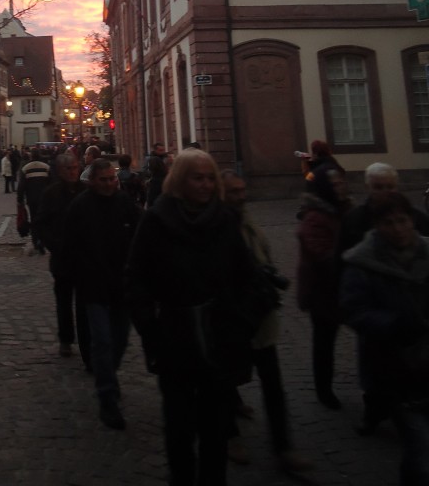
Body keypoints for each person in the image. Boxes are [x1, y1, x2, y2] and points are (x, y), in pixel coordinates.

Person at [126, 147, 263, 486]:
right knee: (179, 425)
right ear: (179, 181)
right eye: (197, 178)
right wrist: (151, 330)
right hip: (175, 338)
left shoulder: (224, 220)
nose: (205, 185)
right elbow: (137, 279)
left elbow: (247, 276)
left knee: (216, 426)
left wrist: (242, 322)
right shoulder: (157, 220)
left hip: (220, 337)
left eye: (209, 178)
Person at [221, 171, 312, 474]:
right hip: (232, 319)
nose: (240, 196)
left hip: (261, 317)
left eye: (242, 190)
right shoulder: (215, 227)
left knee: (273, 382)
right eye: (233, 192)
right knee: (225, 378)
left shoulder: (251, 226)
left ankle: (283, 446)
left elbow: (266, 259)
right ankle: (230, 435)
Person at [341, 193, 429, 485]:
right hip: (395, 371)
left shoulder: (427, 251)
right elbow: (353, 311)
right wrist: (393, 324)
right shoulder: (362, 262)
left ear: (412, 220)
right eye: (389, 223)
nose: (398, 229)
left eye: (402, 220)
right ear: (377, 225)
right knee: (420, 450)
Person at [64, 158, 140, 430]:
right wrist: (79, 274)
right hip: (93, 286)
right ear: (92, 181)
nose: (109, 184)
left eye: (112, 179)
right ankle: (107, 396)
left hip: (121, 286)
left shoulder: (124, 203)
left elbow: (140, 233)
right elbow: (69, 245)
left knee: (120, 340)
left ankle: (109, 374)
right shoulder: (80, 207)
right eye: (104, 180)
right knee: (103, 341)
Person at [296, 160, 350, 409]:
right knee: (324, 342)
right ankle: (324, 389)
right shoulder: (315, 218)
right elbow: (321, 254)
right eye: (335, 184)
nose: (341, 186)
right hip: (322, 291)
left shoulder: (342, 209)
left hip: (340, 289)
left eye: (341, 182)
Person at [35, 152, 90, 362]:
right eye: (68, 169)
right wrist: (54, 245)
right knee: (64, 302)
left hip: (85, 257)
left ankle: (86, 343)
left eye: (75, 168)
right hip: (62, 258)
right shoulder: (51, 194)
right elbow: (41, 223)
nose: (73, 172)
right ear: (60, 171)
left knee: (84, 304)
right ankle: (66, 339)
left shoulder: (87, 191)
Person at [17, 147, 51, 254]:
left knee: (34, 219)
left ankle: (35, 241)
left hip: (32, 199)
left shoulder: (26, 168)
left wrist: (20, 199)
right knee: (44, 219)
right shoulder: (46, 167)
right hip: (44, 199)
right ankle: (43, 240)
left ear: (31, 156)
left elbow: (21, 186)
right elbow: (51, 183)